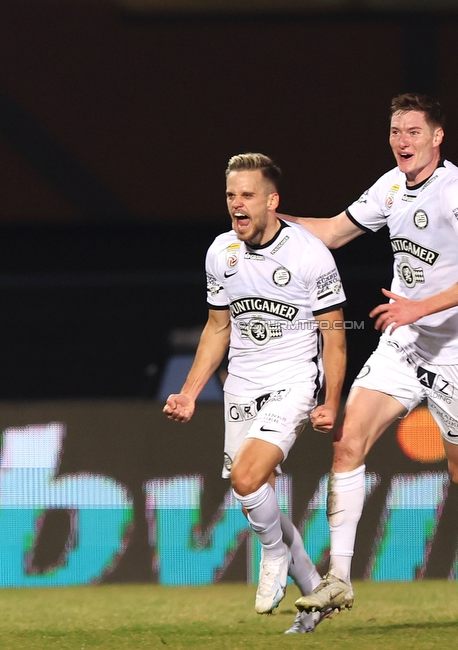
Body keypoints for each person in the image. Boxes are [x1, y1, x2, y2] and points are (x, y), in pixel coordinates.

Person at [284, 93, 458, 615]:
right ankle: (338, 578)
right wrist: (272, 223)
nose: (402, 141)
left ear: (437, 137)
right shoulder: (391, 186)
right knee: (347, 442)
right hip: (404, 343)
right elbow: (334, 232)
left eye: (413, 131)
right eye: (395, 131)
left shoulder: (457, 192)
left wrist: (420, 308)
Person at [163, 153, 347, 634]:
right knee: (254, 490)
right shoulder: (220, 253)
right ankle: (314, 594)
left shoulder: (309, 254)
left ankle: (272, 555)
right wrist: (188, 392)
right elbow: (217, 328)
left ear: (272, 201)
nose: (237, 205)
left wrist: (330, 399)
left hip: (292, 382)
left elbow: (335, 336)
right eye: (230, 195)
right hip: (242, 386)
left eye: (247, 195)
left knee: (246, 480)